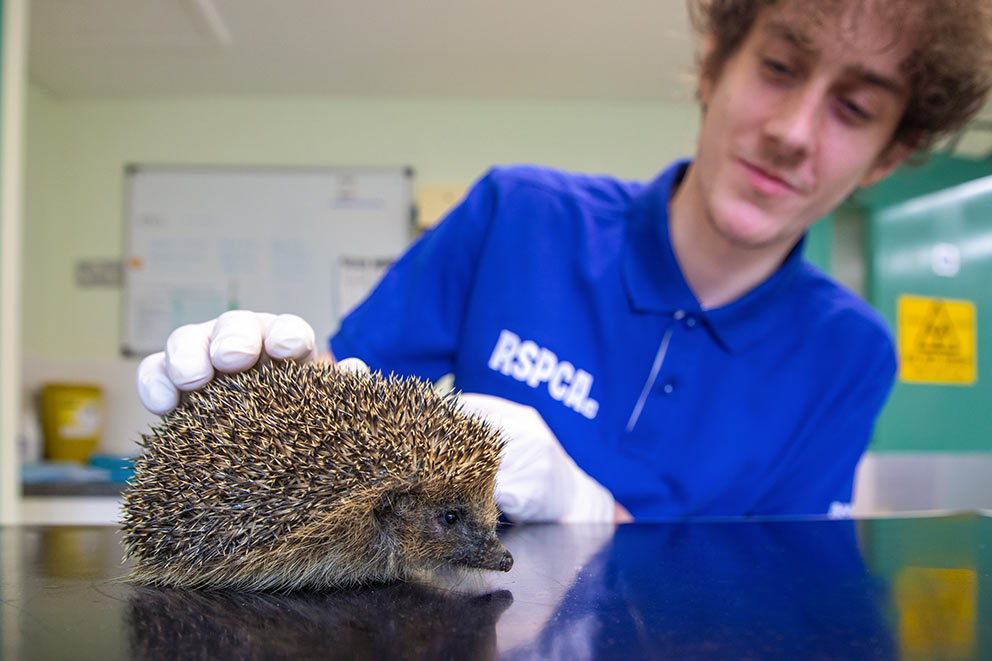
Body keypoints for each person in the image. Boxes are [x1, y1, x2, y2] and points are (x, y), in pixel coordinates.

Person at [136, 0, 992, 522]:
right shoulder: (519, 216)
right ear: (713, 65)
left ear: (886, 156)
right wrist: (277, 393)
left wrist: (586, 509)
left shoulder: (851, 354)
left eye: (853, 108)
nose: (794, 131)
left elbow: (775, 589)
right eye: (778, 67)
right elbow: (351, 400)